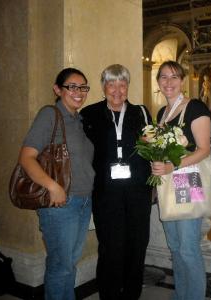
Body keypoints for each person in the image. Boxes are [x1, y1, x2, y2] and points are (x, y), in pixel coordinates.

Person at [18, 68, 95, 300]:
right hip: (61, 203)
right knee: (60, 265)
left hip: (83, 201)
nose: (78, 92)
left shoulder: (78, 120)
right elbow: (26, 157)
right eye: (72, 86)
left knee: (69, 264)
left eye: (83, 87)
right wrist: (53, 186)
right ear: (57, 89)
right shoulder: (50, 114)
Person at [80, 64, 152, 300]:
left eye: (123, 84)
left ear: (128, 86)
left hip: (138, 192)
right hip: (105, 194)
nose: (117, 90)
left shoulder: (141, 112)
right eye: (112, 84)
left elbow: (152, 149)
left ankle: (131, 295)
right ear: (103, 87)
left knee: (137, 246)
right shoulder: (89, 114)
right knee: (110, 248)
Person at [151, 60, 211, 300]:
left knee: (188, 249)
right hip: (167, 183)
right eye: (164, 77)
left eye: (174, 77)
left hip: (188, 179)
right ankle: (181, 295)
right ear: (158, 82)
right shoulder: (162, 113)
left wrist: (170, 165)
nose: (169, 82)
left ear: (183, 81)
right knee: (175, 247)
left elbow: (204, 149)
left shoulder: (195, 107)